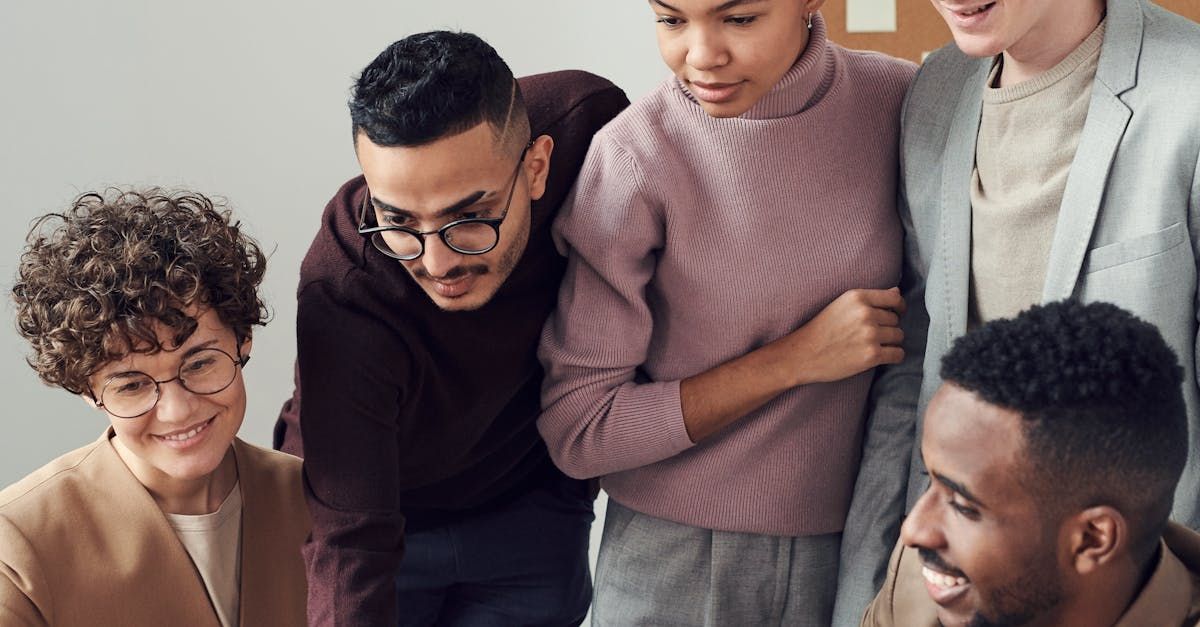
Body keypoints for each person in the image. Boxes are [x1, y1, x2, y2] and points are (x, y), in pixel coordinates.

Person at [535, 0, 915, 623]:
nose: (702, 55)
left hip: (869, 543)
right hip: (674, 563)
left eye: (739, 19)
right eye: (671, 19)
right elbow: (581, 428)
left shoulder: (902, 102)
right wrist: (793, 361)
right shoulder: (635, 156)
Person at [835, 1, 1200, 622]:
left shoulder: (1189, 94)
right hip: (941, 586)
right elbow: (914, 363)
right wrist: (866, 589)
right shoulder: (936, 88)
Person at [271, 31, 627, 625]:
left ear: (537, 167)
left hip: (526, 511)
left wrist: (568, 492)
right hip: (368, 521)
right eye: (399, 220)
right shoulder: (345, 287)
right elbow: (348, 541)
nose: (437, 265)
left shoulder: (592, 128)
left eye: (469, 216)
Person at [1, 189, 309, 626]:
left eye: (200, 363)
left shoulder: (315, 500)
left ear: (243, 339)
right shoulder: (17, 547)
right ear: (87, 389)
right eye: (131, 385)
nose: (177, 410)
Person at [863, 300, 1200, 626]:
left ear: (1091, 539)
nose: (912, 531)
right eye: (929, 478)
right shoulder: (917, 589)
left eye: (963, 506)